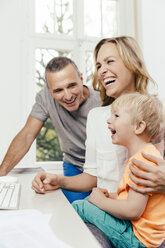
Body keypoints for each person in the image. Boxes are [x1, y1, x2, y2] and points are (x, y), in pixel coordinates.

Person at [32, 36, 163, 198]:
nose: (101, 71)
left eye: (110, 61)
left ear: (132, 63)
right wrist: (58, 180)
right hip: (108, 213)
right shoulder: (97, 117)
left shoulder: (158, 115)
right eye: (99, 65)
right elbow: (92, 177)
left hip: (148, 220)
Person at [0, 56, 101, 203]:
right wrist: (1, 173)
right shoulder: (45, 98)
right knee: (75, 214)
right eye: (58, 90)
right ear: (49, 90)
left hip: (103, 167)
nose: (68, 96)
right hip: (74, 165)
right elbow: (27, 134)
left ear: (81, 78)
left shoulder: (102, 101)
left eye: (72, 85)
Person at [72, 92, 165, 248]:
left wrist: (101, 201)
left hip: (139, 240)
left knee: (80, 206)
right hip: (142, 235)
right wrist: (112, 196)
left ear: (139, 126)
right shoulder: (144, 154)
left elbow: (133, 210)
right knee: (88, 202)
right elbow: (134, 197)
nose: (109, 120)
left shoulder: (142, 163)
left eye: (116, 116)